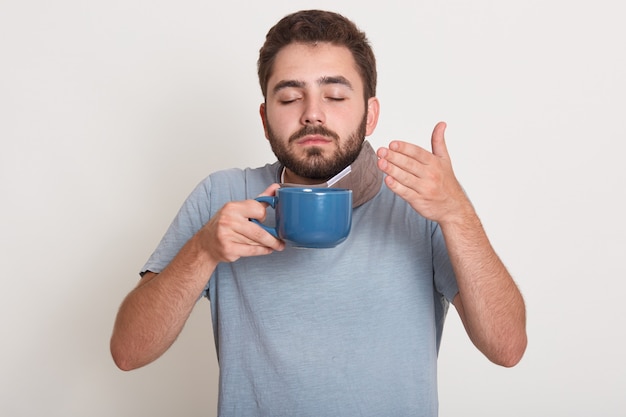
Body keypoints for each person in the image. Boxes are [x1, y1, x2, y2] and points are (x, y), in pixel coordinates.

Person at [110, 9, 527, 416]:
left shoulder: (420, 203)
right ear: (264, 117)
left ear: (370, 115)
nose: (312, 112)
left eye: (335, 95)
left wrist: (457, 215)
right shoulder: (223, 197)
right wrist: (203, 251)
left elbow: (507, 348)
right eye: (290, 97)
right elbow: (128, 352)